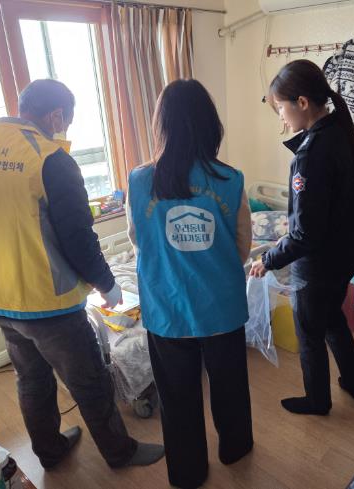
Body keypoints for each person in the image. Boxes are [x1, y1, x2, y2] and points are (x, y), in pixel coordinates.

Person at [0, 79, 164, 469]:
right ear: (56, 116)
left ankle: (50, 451)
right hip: (48, 303)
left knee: (31, 378)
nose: (63, 131)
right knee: (90, 381)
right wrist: (108, 285)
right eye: (66, 123)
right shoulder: (49, 159)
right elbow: (78, 238)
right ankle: (120, 452)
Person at [127, 79, 253, 489]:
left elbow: (137, 239)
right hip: (221, 305)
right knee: (230, 386)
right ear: (210, 125)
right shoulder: (230, 179)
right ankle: (235, 448)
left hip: (167, 306)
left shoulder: (139, 181)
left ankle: (187, 472)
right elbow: (242, 246)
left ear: (161, 125)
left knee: (177, 396)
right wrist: (211, 266)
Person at [250, 60, 354, 416]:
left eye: (280, 108)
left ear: (302, 102)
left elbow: (305, 233)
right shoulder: (346, 135)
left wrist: (268, 259)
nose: (281, 118)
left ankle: (317, 401)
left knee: (309, 333)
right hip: (347, 250)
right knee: (332, 317)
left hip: (319, 263)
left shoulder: (312, 152)